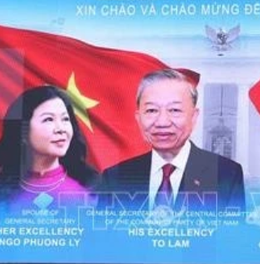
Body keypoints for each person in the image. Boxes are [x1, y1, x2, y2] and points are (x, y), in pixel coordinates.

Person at [99, 69, 245, 212]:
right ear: (138, 118)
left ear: (194, 117)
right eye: (151, 110)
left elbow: (231, 235)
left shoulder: (227, 175)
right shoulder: (113, 179)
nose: (162, 122)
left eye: (174, 110)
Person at [0, 85, 99, 212]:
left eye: (65, 119)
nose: (61, 129)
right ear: (23, 131)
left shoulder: (91, 190)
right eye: (48, 119)